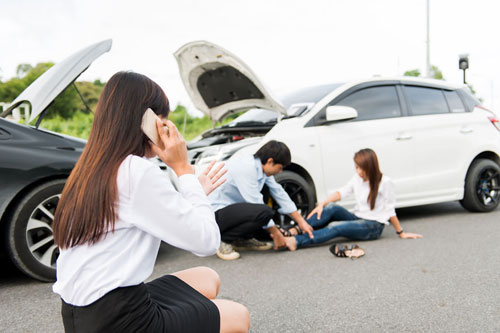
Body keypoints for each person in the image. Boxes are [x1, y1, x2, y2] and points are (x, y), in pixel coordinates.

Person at [52, 72, 250, 333]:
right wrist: (183, 169)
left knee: (207, 277)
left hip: (83, 313)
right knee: (238, 316)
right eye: (161, 117)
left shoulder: (93, 166)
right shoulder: (136, 170)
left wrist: (195, 191)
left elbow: (150, 213)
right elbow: (206, 242)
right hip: (119, 320)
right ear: (144, 119)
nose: (165, 126)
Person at [283, 148, 422, 254]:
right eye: (356, 167)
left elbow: (390, 210)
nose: (358, 171)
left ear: (370, 167)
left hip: (373, 226)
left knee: (336, 227)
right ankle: (297, 230)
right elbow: (341, 193)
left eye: (361, 168)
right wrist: (322, 205)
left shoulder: (385, 182)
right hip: (358, 217)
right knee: (332, 208)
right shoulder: (358, 178)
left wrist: (401, 232)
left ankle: (296, 241)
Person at [209, 140, 314, 260]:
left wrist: (301, 221)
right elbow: (255, 203)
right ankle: (223, 240)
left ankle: (242, 240)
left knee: (266, 196)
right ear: (270, 161)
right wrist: (276, 234)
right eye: (280, 168)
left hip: (230, 210)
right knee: (264, 212)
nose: (280, 172)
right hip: (214, 215)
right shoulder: (246, 168)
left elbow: (279, 192)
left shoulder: (261, 168)